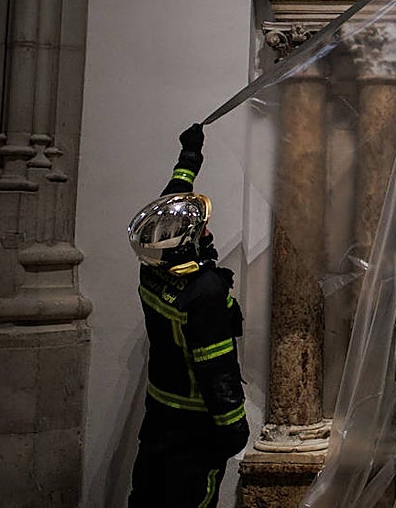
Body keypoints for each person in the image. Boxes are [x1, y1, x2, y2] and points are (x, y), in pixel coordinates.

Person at [127, 123, 249, 508]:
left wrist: (189, 158)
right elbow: (218, 371)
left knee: (147, 495)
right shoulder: (204, 293)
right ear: (187, 249)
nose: (206, 231)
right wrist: (234, 429)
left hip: (160, 413)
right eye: (201, 231)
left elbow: (169, 210)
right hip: (197, 427)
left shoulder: (153, 266)